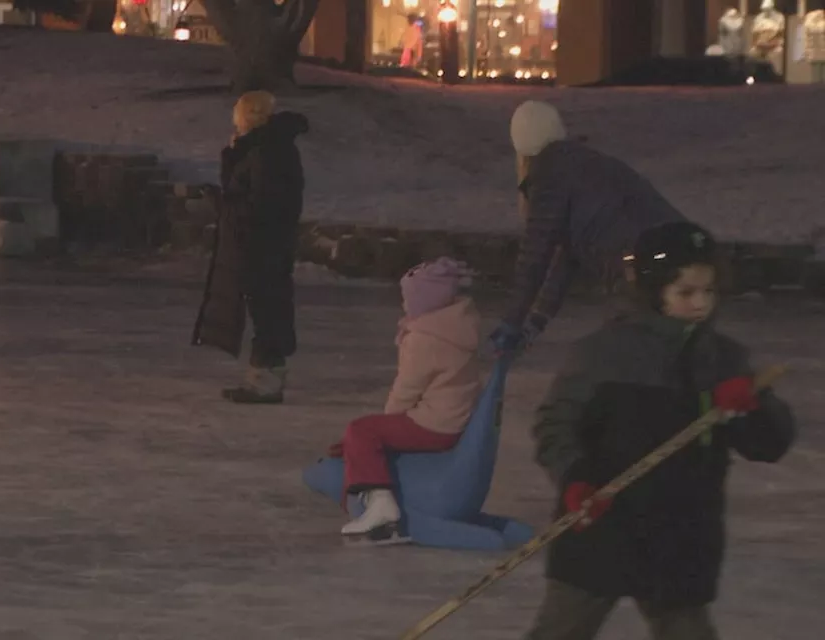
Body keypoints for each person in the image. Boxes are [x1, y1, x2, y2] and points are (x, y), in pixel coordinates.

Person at [525, 221, 795, 640]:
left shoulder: (723, 360)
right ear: (653, 291)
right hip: (604, 524)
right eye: (685, 292)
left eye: (708, 291)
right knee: (562, 628)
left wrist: (752, 409)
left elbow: (770, 446)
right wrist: (575, 477)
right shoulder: (605, 354)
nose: (700, 303)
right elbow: (554, 425)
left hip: (682, 535)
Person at [491, 100, 687, 355]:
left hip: (640, 260)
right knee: (668, 348)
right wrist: (536, 321)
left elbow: (534, 258)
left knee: (629, 356)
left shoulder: (548, 176)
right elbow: (568, 256)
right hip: (683, 247)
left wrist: (511, 322)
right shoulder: (585, 164)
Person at [333, 258, 482, 545]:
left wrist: (380, 429)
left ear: (424, 300)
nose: (404, 304)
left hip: (436, 424)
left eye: (408, 298)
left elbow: (406, 391)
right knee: (364, 434)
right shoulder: (458, 325)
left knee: (361, 430)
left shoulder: (427, 339)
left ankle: (381, 506)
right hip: (455, 416)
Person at [192, 91, 308, 404]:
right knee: (265, 307)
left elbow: (259, 204)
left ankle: (266, 381)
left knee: (268, 308)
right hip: (262, 242)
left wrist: (221, 201)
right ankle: (264, 378)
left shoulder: (268, 152)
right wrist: (232, 156)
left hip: (263, 243)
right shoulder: (263, 149)